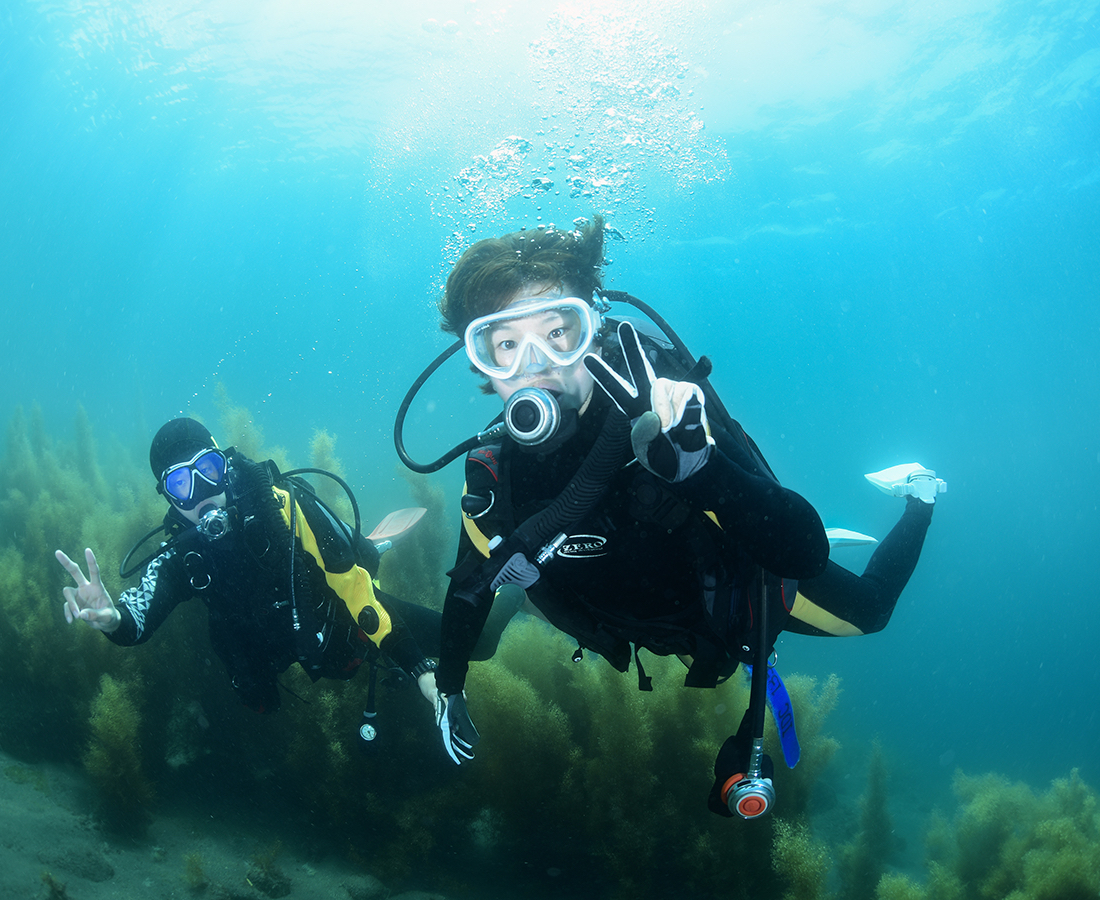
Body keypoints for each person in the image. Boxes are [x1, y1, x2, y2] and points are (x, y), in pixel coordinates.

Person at [416, 215, 941, 816]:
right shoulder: (495, 472)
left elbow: (802, 551)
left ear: (593, 331)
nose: (536, 365)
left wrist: (703, 471)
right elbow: (469, 585)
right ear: (482, 362)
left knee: (870, 612)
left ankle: (921, 496)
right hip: (630, 615)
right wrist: (449, 689)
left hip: (728, 593)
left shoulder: (664, 420)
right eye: (506, 345)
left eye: (559, 332)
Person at [56, 417, 442, 719]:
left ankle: (369, 546)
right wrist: (113, 620)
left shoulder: (281, 508)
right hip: (270, 651)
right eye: (181, 483)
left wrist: (419, 668)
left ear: (224, 465)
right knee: (254, 697)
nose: (202, 492)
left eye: (208, 468)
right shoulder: (183, 554)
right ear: (169, 498)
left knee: (463, 636)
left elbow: (355, 591)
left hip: (336, 626)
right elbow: (139, 615)